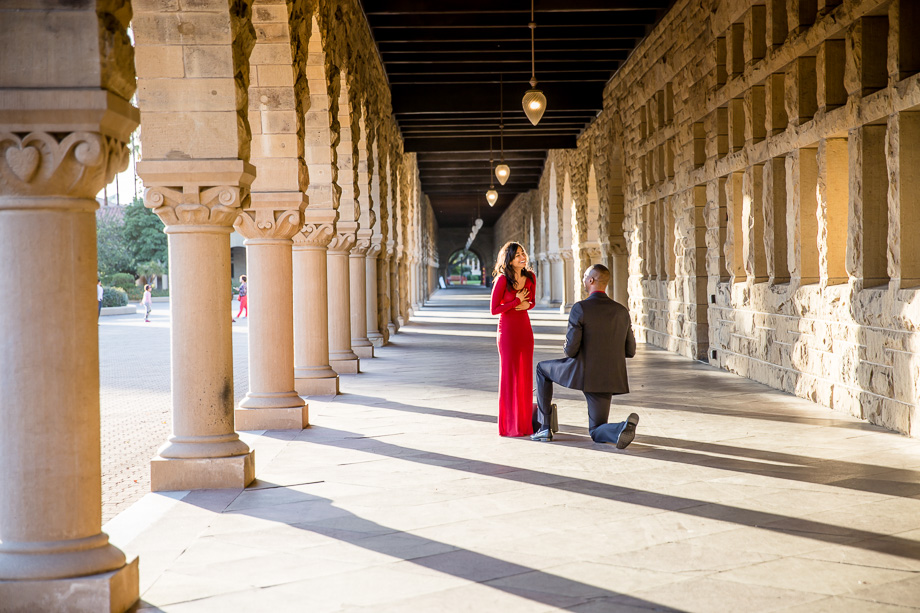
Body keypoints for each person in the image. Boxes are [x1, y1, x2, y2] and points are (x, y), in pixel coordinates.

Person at [531, 264, 639, 448]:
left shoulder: (580, 308)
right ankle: (621, 428)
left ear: (591, 280)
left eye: (584, 276)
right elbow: (630, 351)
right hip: (609, 376)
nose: (582, 279)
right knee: (596, 429)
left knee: (542, 369)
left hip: (581, 370)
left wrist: (566, 345)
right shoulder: (622, 311)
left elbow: (570, 351)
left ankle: (544, 427)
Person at [490, 241, 537, 437]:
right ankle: (509, 426)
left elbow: (532, 302)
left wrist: (526, 305)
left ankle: (524, 425)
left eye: (522, 253)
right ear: (509, 259)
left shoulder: (530, 277)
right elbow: (494, 310)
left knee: (525, 376)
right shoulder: (502, 279)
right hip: (507, 331)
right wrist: (517, 301)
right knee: (509, 377)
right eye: (517, 254)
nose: (522, 257)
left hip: (525, 330)